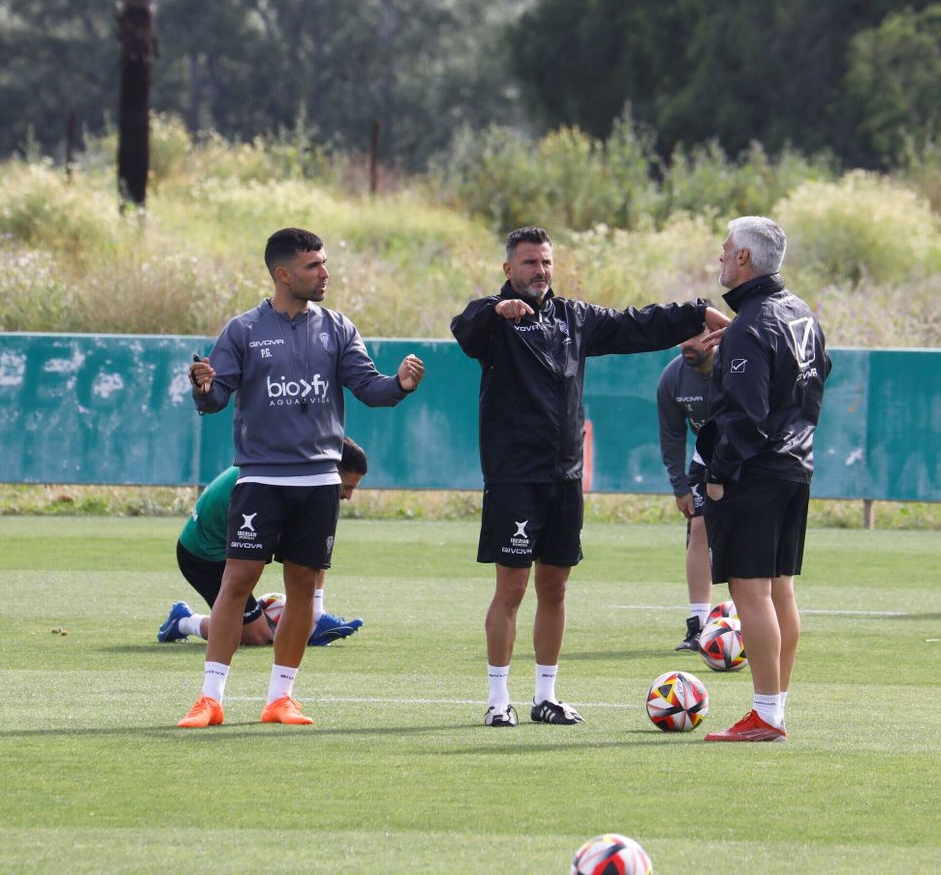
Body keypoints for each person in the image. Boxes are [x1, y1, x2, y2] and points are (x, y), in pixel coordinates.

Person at [451, 225, 729, 727]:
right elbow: (462, 328)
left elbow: (637, 323)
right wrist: (495, 310)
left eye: (546, 262)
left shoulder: (574, 318)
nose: (540, 271)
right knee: (511, 590)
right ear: (508, 269)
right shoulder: (492, 322)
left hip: (564, 477)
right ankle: (497, 701)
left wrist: (699, 312)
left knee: (554, 590)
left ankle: (545, 697)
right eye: (530, 262)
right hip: (514, 478)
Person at [176, 227, 424, 729]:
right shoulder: (243, 330)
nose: (325, 273)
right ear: (283, 274)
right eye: (314, 266)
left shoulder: (338, 328)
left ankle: (280, 699)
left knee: (304, 587)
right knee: (237, 582)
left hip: (318, 484)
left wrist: (398, 384)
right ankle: (210, 699)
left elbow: (368, 387)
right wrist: (204, 387)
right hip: (261, 480)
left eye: (325, 263)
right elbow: (216, 396)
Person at [699, 216, 829, 743]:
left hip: (755, 472)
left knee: (751, 593)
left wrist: (717, 475)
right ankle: (775, 707)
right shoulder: (799, 311)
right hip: (796, 466)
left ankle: (767, 716)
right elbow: (822, 371)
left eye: (726, 249)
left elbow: (744, 416)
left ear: (744, 260)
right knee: (781, 593)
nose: (721, 257)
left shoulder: (750, 324)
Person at [157, 437, 370, 648]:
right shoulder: (282, 483)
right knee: (256, 636)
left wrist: (315, 614)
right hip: (202, 557)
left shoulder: (298, 473)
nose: (350, 496)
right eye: (347, 487)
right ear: (330, 472)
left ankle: (301, 618)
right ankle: (183, 621)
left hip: (225, 549)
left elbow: (313, 551)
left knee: (312, 543)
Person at [656, 334, 724, 651]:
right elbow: (671, 436)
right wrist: (679, 485)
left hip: (749, 459)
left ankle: (755, 622)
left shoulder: (736, 365)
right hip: (707, 459)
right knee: (698, 526)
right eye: (681, 337)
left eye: (695, 336)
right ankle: (699, 625)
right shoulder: (672, 377)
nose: (686, 344)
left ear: (712, 335)